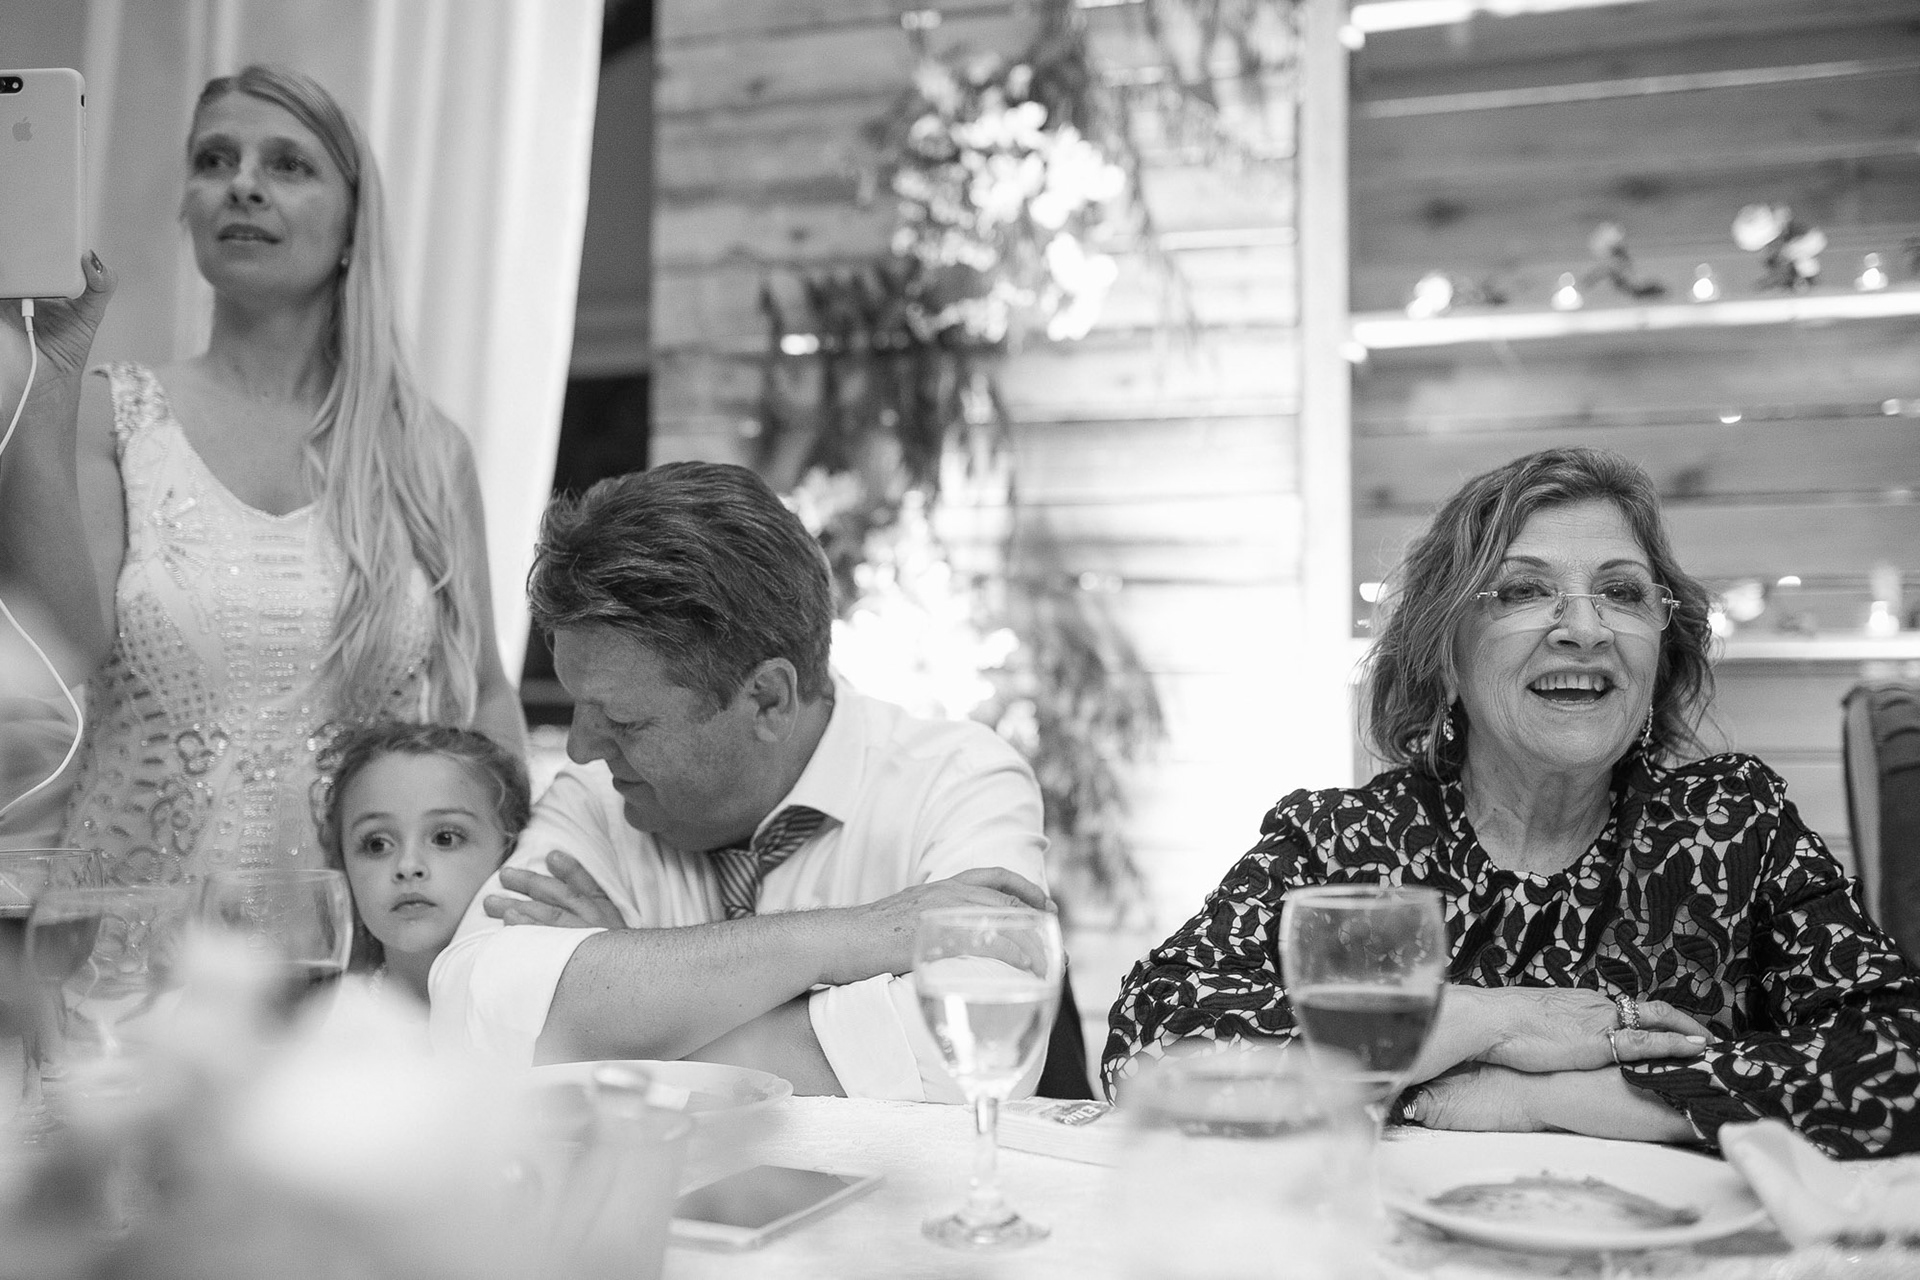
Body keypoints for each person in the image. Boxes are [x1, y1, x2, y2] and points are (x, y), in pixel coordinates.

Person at [1105, 447, 1920, 1159]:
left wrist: (1541, 1100)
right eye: (1526, 591)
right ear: (1444, 654)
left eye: (1622, 592)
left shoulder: (1733, 828)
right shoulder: (1346, 843)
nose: (1585, 629)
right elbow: (1151, 1045)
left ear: (1661, 650)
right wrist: (1497, 1020)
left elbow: (1900, 1057)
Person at [0, 65, 525, 880]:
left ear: (353, 221)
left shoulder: (424, 449)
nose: (242, 185)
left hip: (360, 932)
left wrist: (503, 885)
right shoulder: (110, 416)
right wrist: (48, 373)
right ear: (187, 207)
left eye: (288, 164)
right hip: (134, 930)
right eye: (215, 160)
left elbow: (486, 693)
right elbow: (65, 646)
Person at [431, 461, 1052, 1101]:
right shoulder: (596, 798)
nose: (581, 749)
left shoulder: (956, 781)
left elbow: (975, 1049)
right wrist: (846, 937)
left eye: (624, 721)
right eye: (578, 707)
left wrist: (632, 1005)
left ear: (767, 700)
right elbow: (469, 1009)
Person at [320, 721, 531, 1003]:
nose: (408, 866)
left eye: (445, 838)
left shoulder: (549, 1013)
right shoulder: (322, 1021)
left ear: (510, 849)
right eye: (377, 844)